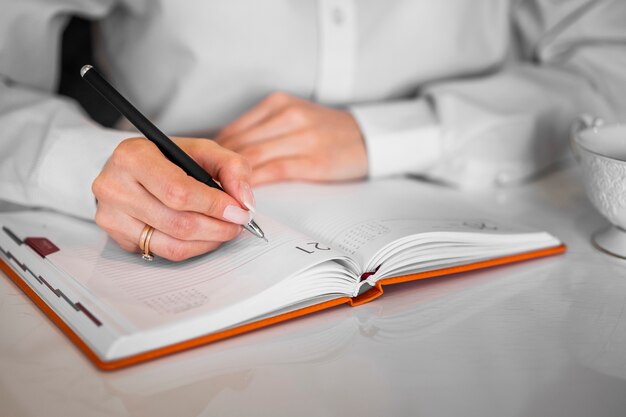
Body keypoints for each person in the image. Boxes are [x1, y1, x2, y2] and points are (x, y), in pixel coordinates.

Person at [1, 1, 624, 261]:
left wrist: (399, 132)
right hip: (135, 245)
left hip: (523, 247)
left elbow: (607, 60)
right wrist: (89, 162)